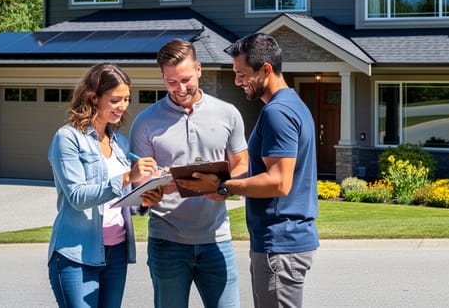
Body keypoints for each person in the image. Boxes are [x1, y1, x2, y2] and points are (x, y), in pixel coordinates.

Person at [189, 32, 319, 308]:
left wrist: (224, 186)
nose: (237, 81)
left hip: (279, 245)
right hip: (283, 243)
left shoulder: (277, 113)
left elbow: (279, 182)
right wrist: (224, 179)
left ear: (266, 70)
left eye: (242, 74)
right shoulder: (293, 105)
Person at [129, 39, 249, 308]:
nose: (180, 89)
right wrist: (153, 186)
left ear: (198, 69)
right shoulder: (145, 122)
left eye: (185, 79)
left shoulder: (228, 113)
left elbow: (242, 162)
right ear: (162, 77)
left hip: (217, 239)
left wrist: (224, 186)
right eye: (171, 82)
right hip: (166, 241)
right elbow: (139, 184)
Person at [47, 62, 162, 308]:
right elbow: (78, 197)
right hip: (76, 254)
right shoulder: (68, 138)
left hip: (116, 253)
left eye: (127, 99)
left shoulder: (120, 142)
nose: (123, 106)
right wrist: (127, 177)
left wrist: (144, 199)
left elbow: (121, 201)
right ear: (93, 98)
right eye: (115, 100)